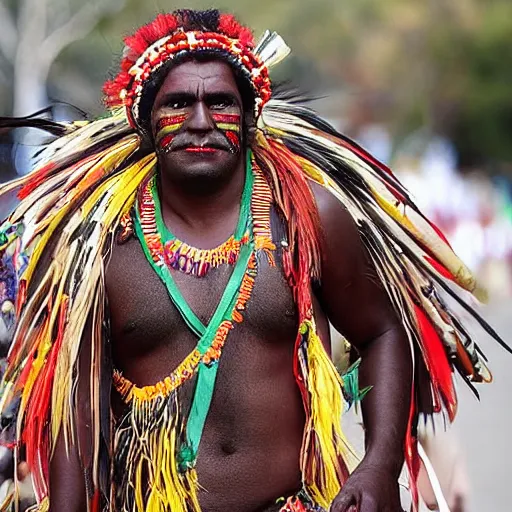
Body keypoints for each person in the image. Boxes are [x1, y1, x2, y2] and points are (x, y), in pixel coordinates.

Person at [0, 9, 508, 512]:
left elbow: (383, 332)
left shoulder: (306, 217)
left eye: (220, 102)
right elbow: (76, 406)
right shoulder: (100, 245)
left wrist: (379, 467)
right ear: (144, 121)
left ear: (248, 116)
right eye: (179, 103)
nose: (200, 121)